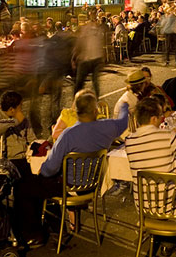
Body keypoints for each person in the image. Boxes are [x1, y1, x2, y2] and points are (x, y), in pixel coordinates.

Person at [14, 91, 129, 246]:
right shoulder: (107, 127)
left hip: (69, 186)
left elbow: (50, 169)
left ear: (76, 111)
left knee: (23, 187)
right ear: (95, 111)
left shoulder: (68, 135)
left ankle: (33, 234)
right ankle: (54, 226)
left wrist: (42, 170)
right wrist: (124, 105)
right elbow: (123, 121)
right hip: (94, 184)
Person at [125, 97, 176, 257]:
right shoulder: (168, 136)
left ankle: (166, 242)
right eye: (161, 116)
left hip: (144, 208)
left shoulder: (129, 142)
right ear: (154, 119)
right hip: (171, 208)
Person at [0, 90, 36, 173]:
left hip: (24, 158)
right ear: (11, 109)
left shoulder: (21, 117)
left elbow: (32, 139)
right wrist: (15, 121)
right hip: (4, 160)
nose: (22, 108)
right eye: (20, 105)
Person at [73, 18, 105, 99]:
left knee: (80, 82)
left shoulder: (84, 31)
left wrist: (74, 57)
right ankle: (96, 100)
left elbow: (79, 44)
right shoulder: (98, 30)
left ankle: (77, 101)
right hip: (96, 58)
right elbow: (102, 42)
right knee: (95, 82)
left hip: (86, 59)